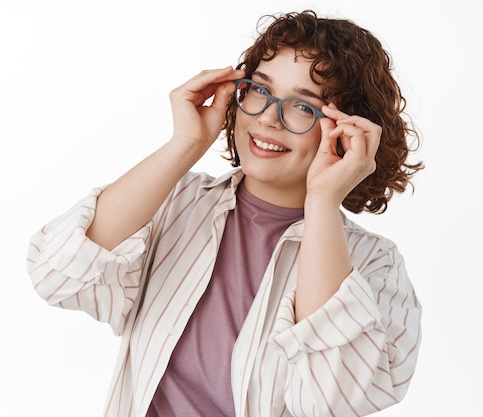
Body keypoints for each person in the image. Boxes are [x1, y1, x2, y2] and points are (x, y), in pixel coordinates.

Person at [27, 10, 423, 417]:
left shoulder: (374, 265)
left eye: (304, 107)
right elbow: (57, 275)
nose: (268, 118)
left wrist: (322, 200)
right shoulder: (175, 202)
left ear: (349, 131)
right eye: (259, 90)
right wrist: (185, 144)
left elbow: (333, 400)